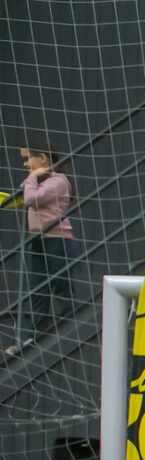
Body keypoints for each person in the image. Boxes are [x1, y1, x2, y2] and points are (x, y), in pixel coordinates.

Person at [11, 140, 73, 350]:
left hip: (58, 239)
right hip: (39, 240)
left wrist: (31, 179)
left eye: (27, 158)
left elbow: (32, 199)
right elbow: (26, 193)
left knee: (61, 285)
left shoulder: (59, 181)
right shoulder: (41, 181)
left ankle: (68, 324)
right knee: (38, 289)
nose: (25, 164)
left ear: (43, 158)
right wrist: (32, 179)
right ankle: (36, 334)